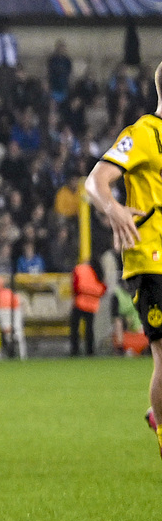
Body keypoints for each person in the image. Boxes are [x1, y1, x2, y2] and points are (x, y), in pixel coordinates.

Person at [84, 63, 162, 456]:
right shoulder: (144, 133)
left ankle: (156, 412)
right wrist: (112, 208)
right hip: (150, 258)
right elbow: (95, 179)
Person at [70, 257, 104, 358]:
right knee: (89, 329)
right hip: (92, 304)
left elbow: (75, 286)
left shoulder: (79, 269)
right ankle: (90, 350)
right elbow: (103, 288)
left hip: (80, 303)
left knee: (75, 328)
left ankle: (75, 350)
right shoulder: (98, 271)